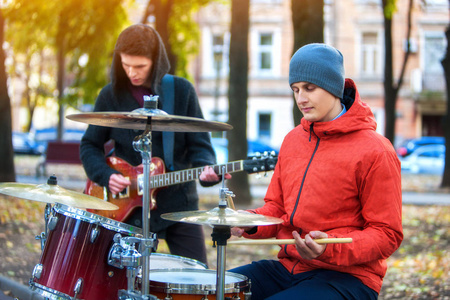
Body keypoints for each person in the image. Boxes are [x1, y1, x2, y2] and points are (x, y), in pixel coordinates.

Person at [227, 43, 403, 299]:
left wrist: (328, 249)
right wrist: (249, 222)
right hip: (290, 267)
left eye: (310, 88)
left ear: (333, 86)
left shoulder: (376, 150)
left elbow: (387, 234)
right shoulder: (292, 140)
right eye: (295, 89)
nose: (301, 98)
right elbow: (276, 210)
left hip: (350, 278)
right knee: (219, 289)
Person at [80, 24, 228, 266]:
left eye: (140, 66)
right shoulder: (110, 95)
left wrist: (207, 169)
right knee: (129, 281)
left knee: (197, 277)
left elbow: (200, 146)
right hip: (129, 208)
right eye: (125, 65)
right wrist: (105, 175)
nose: (131, 73)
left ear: (156, 61)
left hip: (180, 204)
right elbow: (89, 145)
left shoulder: (181, 91)